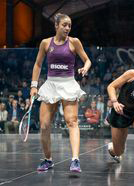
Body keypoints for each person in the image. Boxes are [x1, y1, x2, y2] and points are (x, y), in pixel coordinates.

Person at [30, 13, 91, 173]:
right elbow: (37, 65)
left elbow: (87, 59)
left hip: (68, 84)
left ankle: (75, 160)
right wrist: (34, 86)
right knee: (44, 126)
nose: (67, 28)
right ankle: (48, 160)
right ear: (56, 25)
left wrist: (85, 67)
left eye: (69, 25)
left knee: (72, 122)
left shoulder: (74, 42)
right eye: (64, 25)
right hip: (50, 84)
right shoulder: (45, 43)